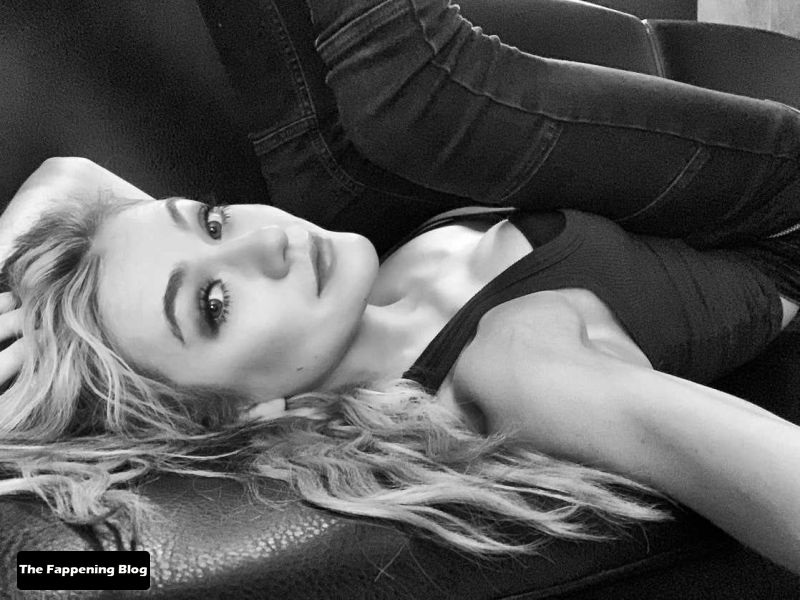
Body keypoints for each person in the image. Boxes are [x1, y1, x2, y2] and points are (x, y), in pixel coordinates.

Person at [1, 0, 800, 573]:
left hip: (394, 249)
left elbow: (71, 177)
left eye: (211, 221)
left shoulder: (341, 279)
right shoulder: (518, 370)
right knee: (413, 98)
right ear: (235, 411)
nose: (261, 242)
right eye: (214, 305)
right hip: (783, 228)